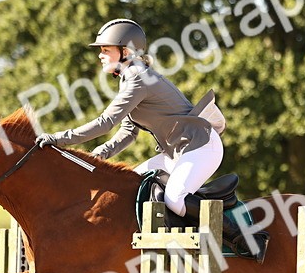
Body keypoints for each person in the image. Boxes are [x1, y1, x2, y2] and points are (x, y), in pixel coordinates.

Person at [35, 18, 224, 220]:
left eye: (106, 50)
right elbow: (128, 132)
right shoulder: (129, 78)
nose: (100, 55)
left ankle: (231, 232)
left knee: (174, 200)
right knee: (132, 186)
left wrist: (58, 139)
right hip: (177, 153)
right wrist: (100, 154)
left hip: (201, 147)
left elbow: (105, 123)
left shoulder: (138, 78)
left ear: (126, 52)